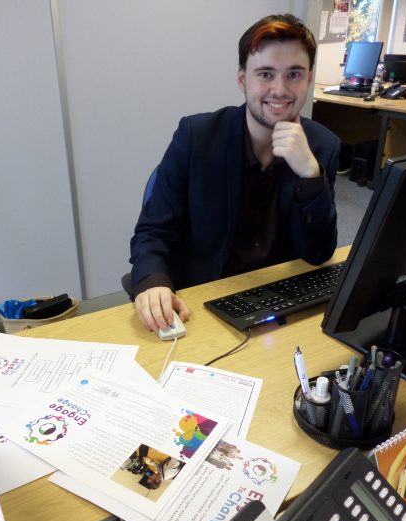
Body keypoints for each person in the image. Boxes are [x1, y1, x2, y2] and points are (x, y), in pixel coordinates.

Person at [128, 13, 340, 332]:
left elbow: (319, 253)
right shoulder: (196, 137)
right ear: (243, 79)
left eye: (293, 74)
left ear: (309, 79)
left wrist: (310, 175)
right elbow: (153, 230)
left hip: (280, 304)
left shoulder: (322, 147)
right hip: (201, 306)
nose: (279, 90)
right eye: (265, 74)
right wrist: (152, 282)